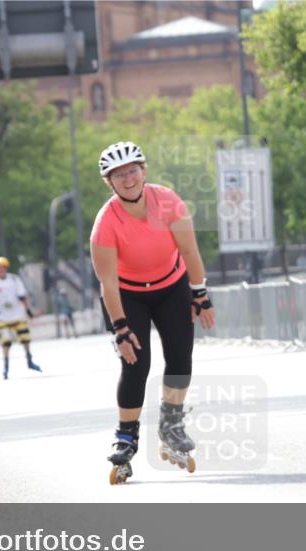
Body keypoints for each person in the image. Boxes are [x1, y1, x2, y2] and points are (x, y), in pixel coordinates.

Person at [90, 141, 216, 485]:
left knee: (180, 356)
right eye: (119, 175)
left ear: (144, 171)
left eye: (133, 170)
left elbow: (189, 249)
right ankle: (126, 437)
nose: (128, 178)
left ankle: (171, 425)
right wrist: (120, 328)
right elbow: (108, 284)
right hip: (129, 295)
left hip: (171, 285)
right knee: (136, 363)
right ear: (110, 183)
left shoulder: (169, 202)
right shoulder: (106, 223)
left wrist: (199, 292)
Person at [0, 256, 42, 379]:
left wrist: (28, 311)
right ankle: (6, 367)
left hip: (18, 314)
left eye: (2, 268)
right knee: (5, 342)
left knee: (25, 339)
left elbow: (22, 296)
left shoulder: (14, 279)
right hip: (2, 316)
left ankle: (30, 361)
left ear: (6, 268)